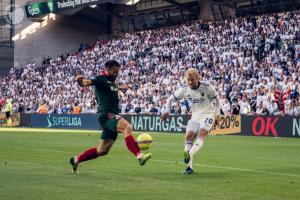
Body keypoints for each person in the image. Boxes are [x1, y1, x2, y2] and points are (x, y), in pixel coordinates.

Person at [69, 60, 152, 173]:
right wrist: (80, 81)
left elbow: (113, 88)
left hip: (111, 116)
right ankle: (140, 155)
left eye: (118, 72)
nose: (116, 74)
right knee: (127, 127)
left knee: (102, 150)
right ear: (107, 70)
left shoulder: (111, 82)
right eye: (114, 72)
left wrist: (123, 87)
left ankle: (75, 160)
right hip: (107, 114)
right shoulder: (100, 79)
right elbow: (86, 82)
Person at [160, 68, 220, 175]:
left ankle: (189, 154)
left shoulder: (207, 87)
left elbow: (217, 100)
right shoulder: (184, 90)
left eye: (192, 80)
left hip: (208, 114)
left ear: (197, 78)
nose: (190, 82)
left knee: (202, 134)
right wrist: (167, 110)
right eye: (188, 80)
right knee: (188, 137)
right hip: (195, 115)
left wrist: (217, 115)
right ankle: (189, 167)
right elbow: (170, 99)